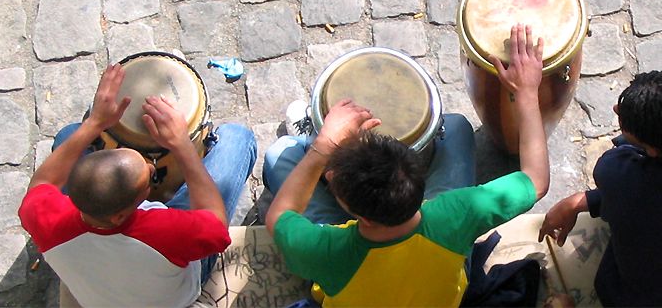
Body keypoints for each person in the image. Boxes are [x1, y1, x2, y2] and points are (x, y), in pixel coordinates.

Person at [264, 24, 549, 307]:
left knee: (280, 154)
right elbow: (536, 180)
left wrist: (322, 147)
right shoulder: (456, 215)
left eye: (333, 180)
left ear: (357, 214)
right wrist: (526, 92)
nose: (328, 173)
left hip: (350, 265)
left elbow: (279, 217)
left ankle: (308, 138)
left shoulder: (327, 252)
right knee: (455, 126)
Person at [18, 64, 256, 308]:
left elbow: (42, 183)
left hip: (98, 288)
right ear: (120, 215)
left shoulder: (47, 221)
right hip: (172, 293)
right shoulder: (165, 232)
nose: (151, 167)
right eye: (148, 176)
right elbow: (215, 226)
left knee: (69, 135)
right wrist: (182, 147)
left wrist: (95, 123)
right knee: (238, 139)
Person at [539, 70, 662, 307]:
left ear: (653, 151)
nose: (616, 110)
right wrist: (584, 201)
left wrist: (584, 201)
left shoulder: (617, 172)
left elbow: (624, 183)